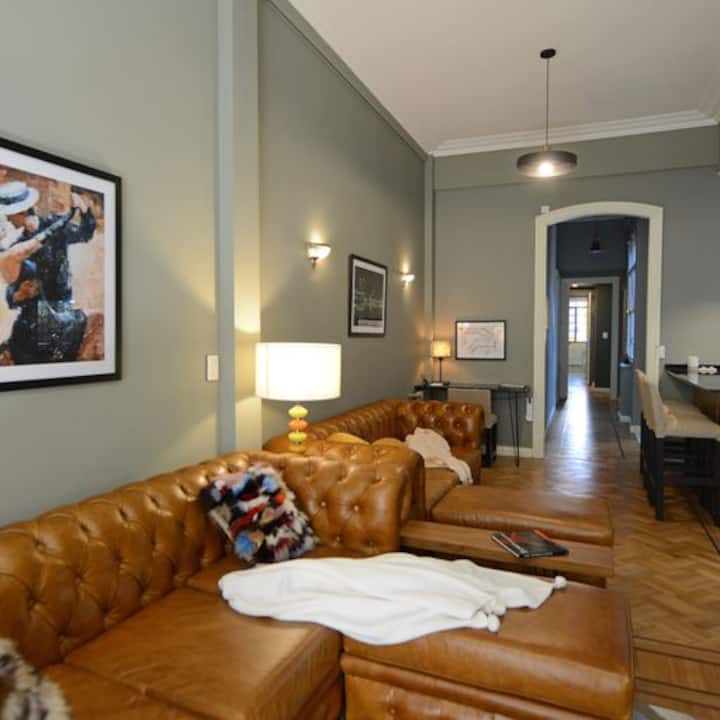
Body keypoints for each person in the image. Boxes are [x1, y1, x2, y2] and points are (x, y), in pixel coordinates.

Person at [0, 180, 97, 364]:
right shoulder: (18, 246)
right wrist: (18, 295)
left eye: (10, 216)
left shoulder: (54, 225)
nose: (9, 220)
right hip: (32, 315)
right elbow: (12, 293)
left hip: (60, 307)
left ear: (20, 212)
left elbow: (85, 234)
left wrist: (84, 211)